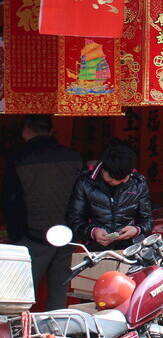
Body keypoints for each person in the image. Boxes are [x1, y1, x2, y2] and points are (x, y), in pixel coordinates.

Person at [3, 115, 83, 310]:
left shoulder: (18, 159)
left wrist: (16, 236)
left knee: (20, 294)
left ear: (26, 130)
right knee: (59, 293)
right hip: (67, 234)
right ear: (50, 131)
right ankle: (56, 333)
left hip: (33, 235)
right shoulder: (74, 156)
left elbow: (11, 200)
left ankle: (17, 335)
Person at [67, 142, 153, 251]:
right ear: (103, 168)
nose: (115, 182)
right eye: (111, 178)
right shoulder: (85, 183)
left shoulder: (138, 183)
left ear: (130, 172)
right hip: (94, 250)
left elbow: (147, 220)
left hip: (130, 249)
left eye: (121, 179)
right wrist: (93, 231)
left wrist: (136, 230)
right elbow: (73, 218)